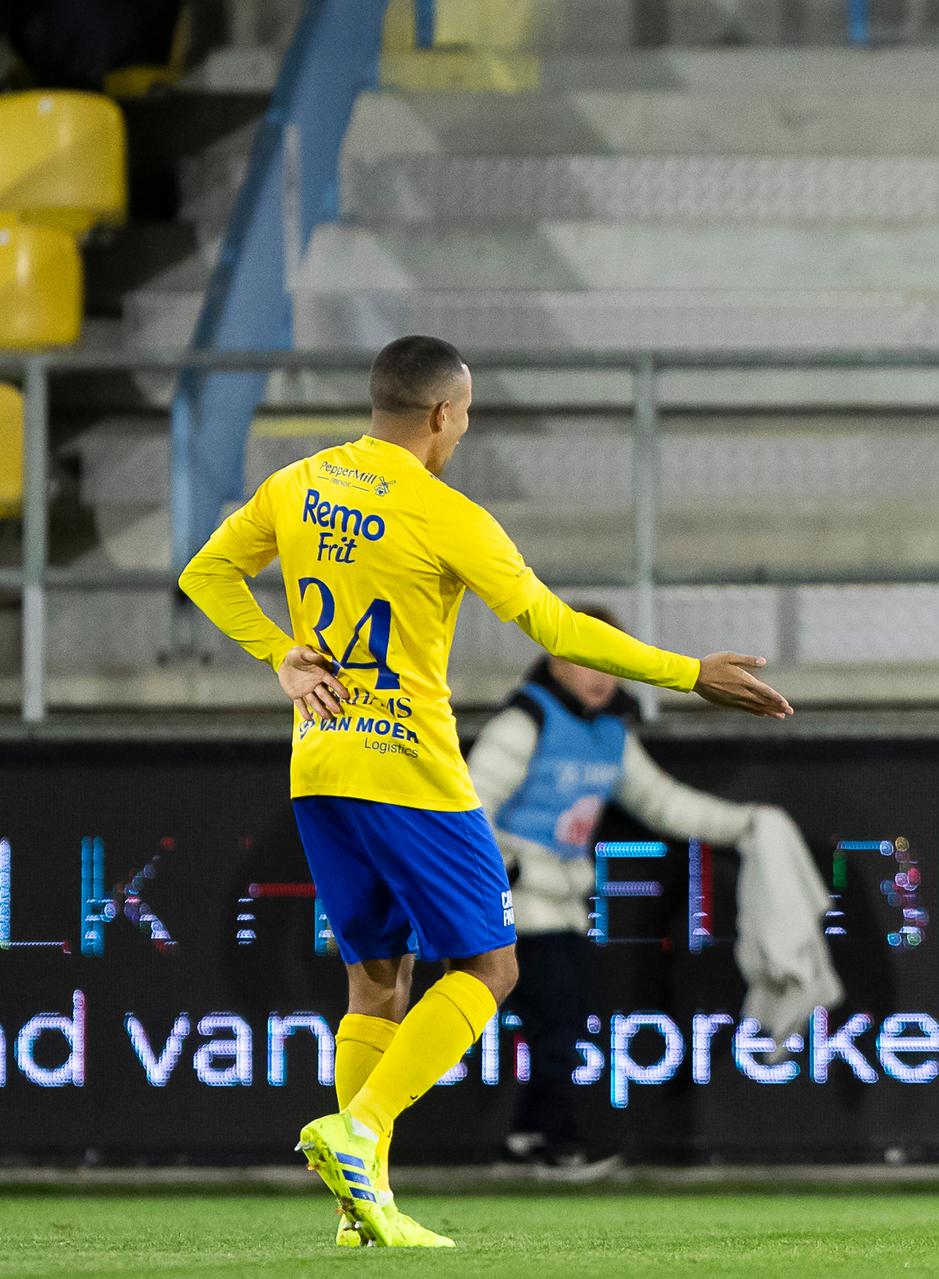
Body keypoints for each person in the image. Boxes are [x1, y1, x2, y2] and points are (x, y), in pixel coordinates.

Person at [177, 335, 793, 1247]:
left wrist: (280, 652)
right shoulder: (445, 513)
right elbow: (555, 626)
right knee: (492, 967)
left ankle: (364, 1208)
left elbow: (205, 573)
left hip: (319, 766)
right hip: (414, 771)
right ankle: (362, 1126)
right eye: (463, 414)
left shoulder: (296, 484)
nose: (461, 428)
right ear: (440, 414)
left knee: (375, 981)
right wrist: (687, 669)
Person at [468, 624, 836, 1175]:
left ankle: (528, 1143)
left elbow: (663, 804)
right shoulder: (524, 722)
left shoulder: (609, 734)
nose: (599, 676)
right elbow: (468, 805)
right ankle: (551, 1146)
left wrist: (746, 825)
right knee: (558, 1026)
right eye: (586, 661)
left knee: (559, 1027)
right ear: (556, 666)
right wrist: (510, 867)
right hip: (513, 905)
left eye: (608, 663)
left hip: (560, 908)